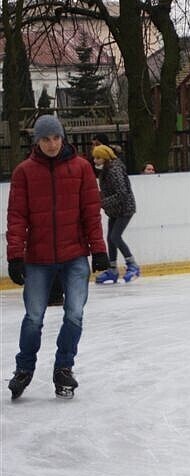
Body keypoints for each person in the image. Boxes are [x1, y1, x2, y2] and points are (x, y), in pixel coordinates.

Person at [6, 115, 109, 400]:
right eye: (45, 139)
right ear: (36, 141)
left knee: (74, 314)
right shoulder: (24, 172)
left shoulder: (82, 169)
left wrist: (98, 249)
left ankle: (64, 368)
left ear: (63, 138)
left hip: (74, 254)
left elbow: (91, 212)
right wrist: (15, 255)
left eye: (55, 138)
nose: (51, 144)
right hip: (37, 258)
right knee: (34, 317)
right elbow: (16, 217)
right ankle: (24, 369)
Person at [92, 144, 140, 284]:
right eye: (94, 157)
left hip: (125, 208)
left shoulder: (114, 170)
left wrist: (103, 203)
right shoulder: (106, 170)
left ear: (106, 157)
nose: (96, 161)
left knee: (115, 236)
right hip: (115, 210)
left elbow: (122, 193)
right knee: (110, 238)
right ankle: (112, 269)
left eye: (99, 158)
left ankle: (132, 264)